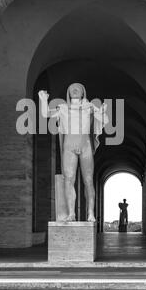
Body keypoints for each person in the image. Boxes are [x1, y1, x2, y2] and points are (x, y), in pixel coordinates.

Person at [38, 83, 108, 222]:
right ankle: (71, 213)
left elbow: (105, 120)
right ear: (68, 93)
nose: (75, 90)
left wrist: (102, 111)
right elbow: (46, 113)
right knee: (69, 180)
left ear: (83, 93)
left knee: (88, 180)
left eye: (78, 88)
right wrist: (43, 100)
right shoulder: (62, 108)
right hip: (69, 146)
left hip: (85, 145)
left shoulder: (89, 107)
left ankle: (90, 213)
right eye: (71, 89)